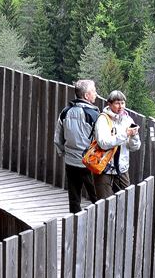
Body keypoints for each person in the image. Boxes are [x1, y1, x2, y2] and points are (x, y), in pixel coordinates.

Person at [54, 79, 100, 214]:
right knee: (96, 196)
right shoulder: (94, 115)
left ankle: (73, 226)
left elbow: (58, 137)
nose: (96, 94)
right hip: (88, 162)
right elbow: (100, 140)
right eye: (94, 91)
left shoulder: (65, 112)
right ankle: (100, 223)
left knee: (74, 197)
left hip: (70, 161)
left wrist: (62, 152)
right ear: (86, 96)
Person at [93, 89, 141, 199]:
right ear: (109, 104)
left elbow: (134, 147)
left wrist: (134, 136)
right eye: (117, 103)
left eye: (122, 103)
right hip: (104, 168)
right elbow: (104, 143)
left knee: (126, 202)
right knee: (105, 204)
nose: (120, 106)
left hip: (122, 169)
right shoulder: (103, 119)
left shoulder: (128, 119)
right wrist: (125, 134)